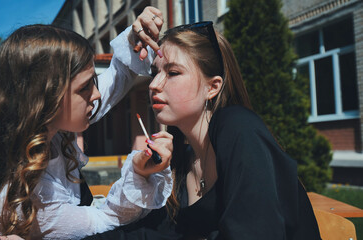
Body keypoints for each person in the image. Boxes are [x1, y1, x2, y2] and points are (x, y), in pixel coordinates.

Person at [86, 20, 321, 239]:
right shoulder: (180, 163)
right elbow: (147, 234)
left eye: (173, 73)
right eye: (156, 72)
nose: (154, 85)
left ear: (213, 87)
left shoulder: (239, 127)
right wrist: (141, 174)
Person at [0, 7, 174, 240]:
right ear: (46, 99)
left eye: (93, 82)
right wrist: (138, 174)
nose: (97, 95)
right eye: (84, 88)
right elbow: (105, 220)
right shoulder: (32, 194)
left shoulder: (40, 130)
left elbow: (115, 80)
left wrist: (133, 40)